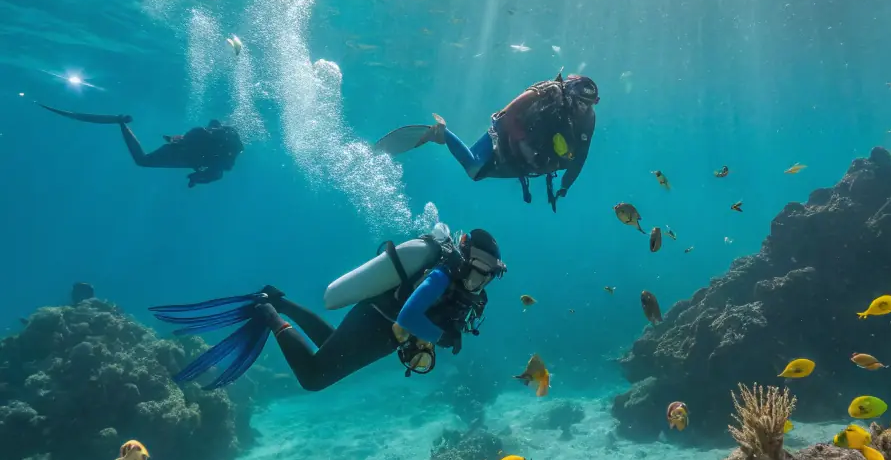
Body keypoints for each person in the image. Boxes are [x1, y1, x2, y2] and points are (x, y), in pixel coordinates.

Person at [150, 227, 505, 392]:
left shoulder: (459, 283)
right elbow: (408, 317)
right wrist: (443, 337)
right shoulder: (443, 276)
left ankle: (281, 302)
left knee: (329, 349)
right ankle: (267, 312)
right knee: (315, 378)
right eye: (479, 274)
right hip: (378, 322)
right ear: (467, 262)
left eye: (488, 278)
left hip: (379, 329)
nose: (480, 283)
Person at [374, 72, 599, 210]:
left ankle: (444, 137)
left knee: (477, 173)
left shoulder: (588, 118)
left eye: (587, 104)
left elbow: (581, 156)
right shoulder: (549, 91)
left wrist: (565, 186)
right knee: (474, 169)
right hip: (504, 138)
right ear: (569, 92)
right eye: (578, 101)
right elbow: (507, 114)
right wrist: (521, 144)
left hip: (526, 161)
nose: (582, 108)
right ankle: (440, 133)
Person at [37, 105, 243, 187]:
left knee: (145, 160)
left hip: (185, 149)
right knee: (142, 161)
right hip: (186, 153)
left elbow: (197, 139)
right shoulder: (227, 153)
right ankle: (121, 123)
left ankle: (121, 122)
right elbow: (214, 173)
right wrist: (194, 178)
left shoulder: (216, 139)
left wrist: (195, 176)